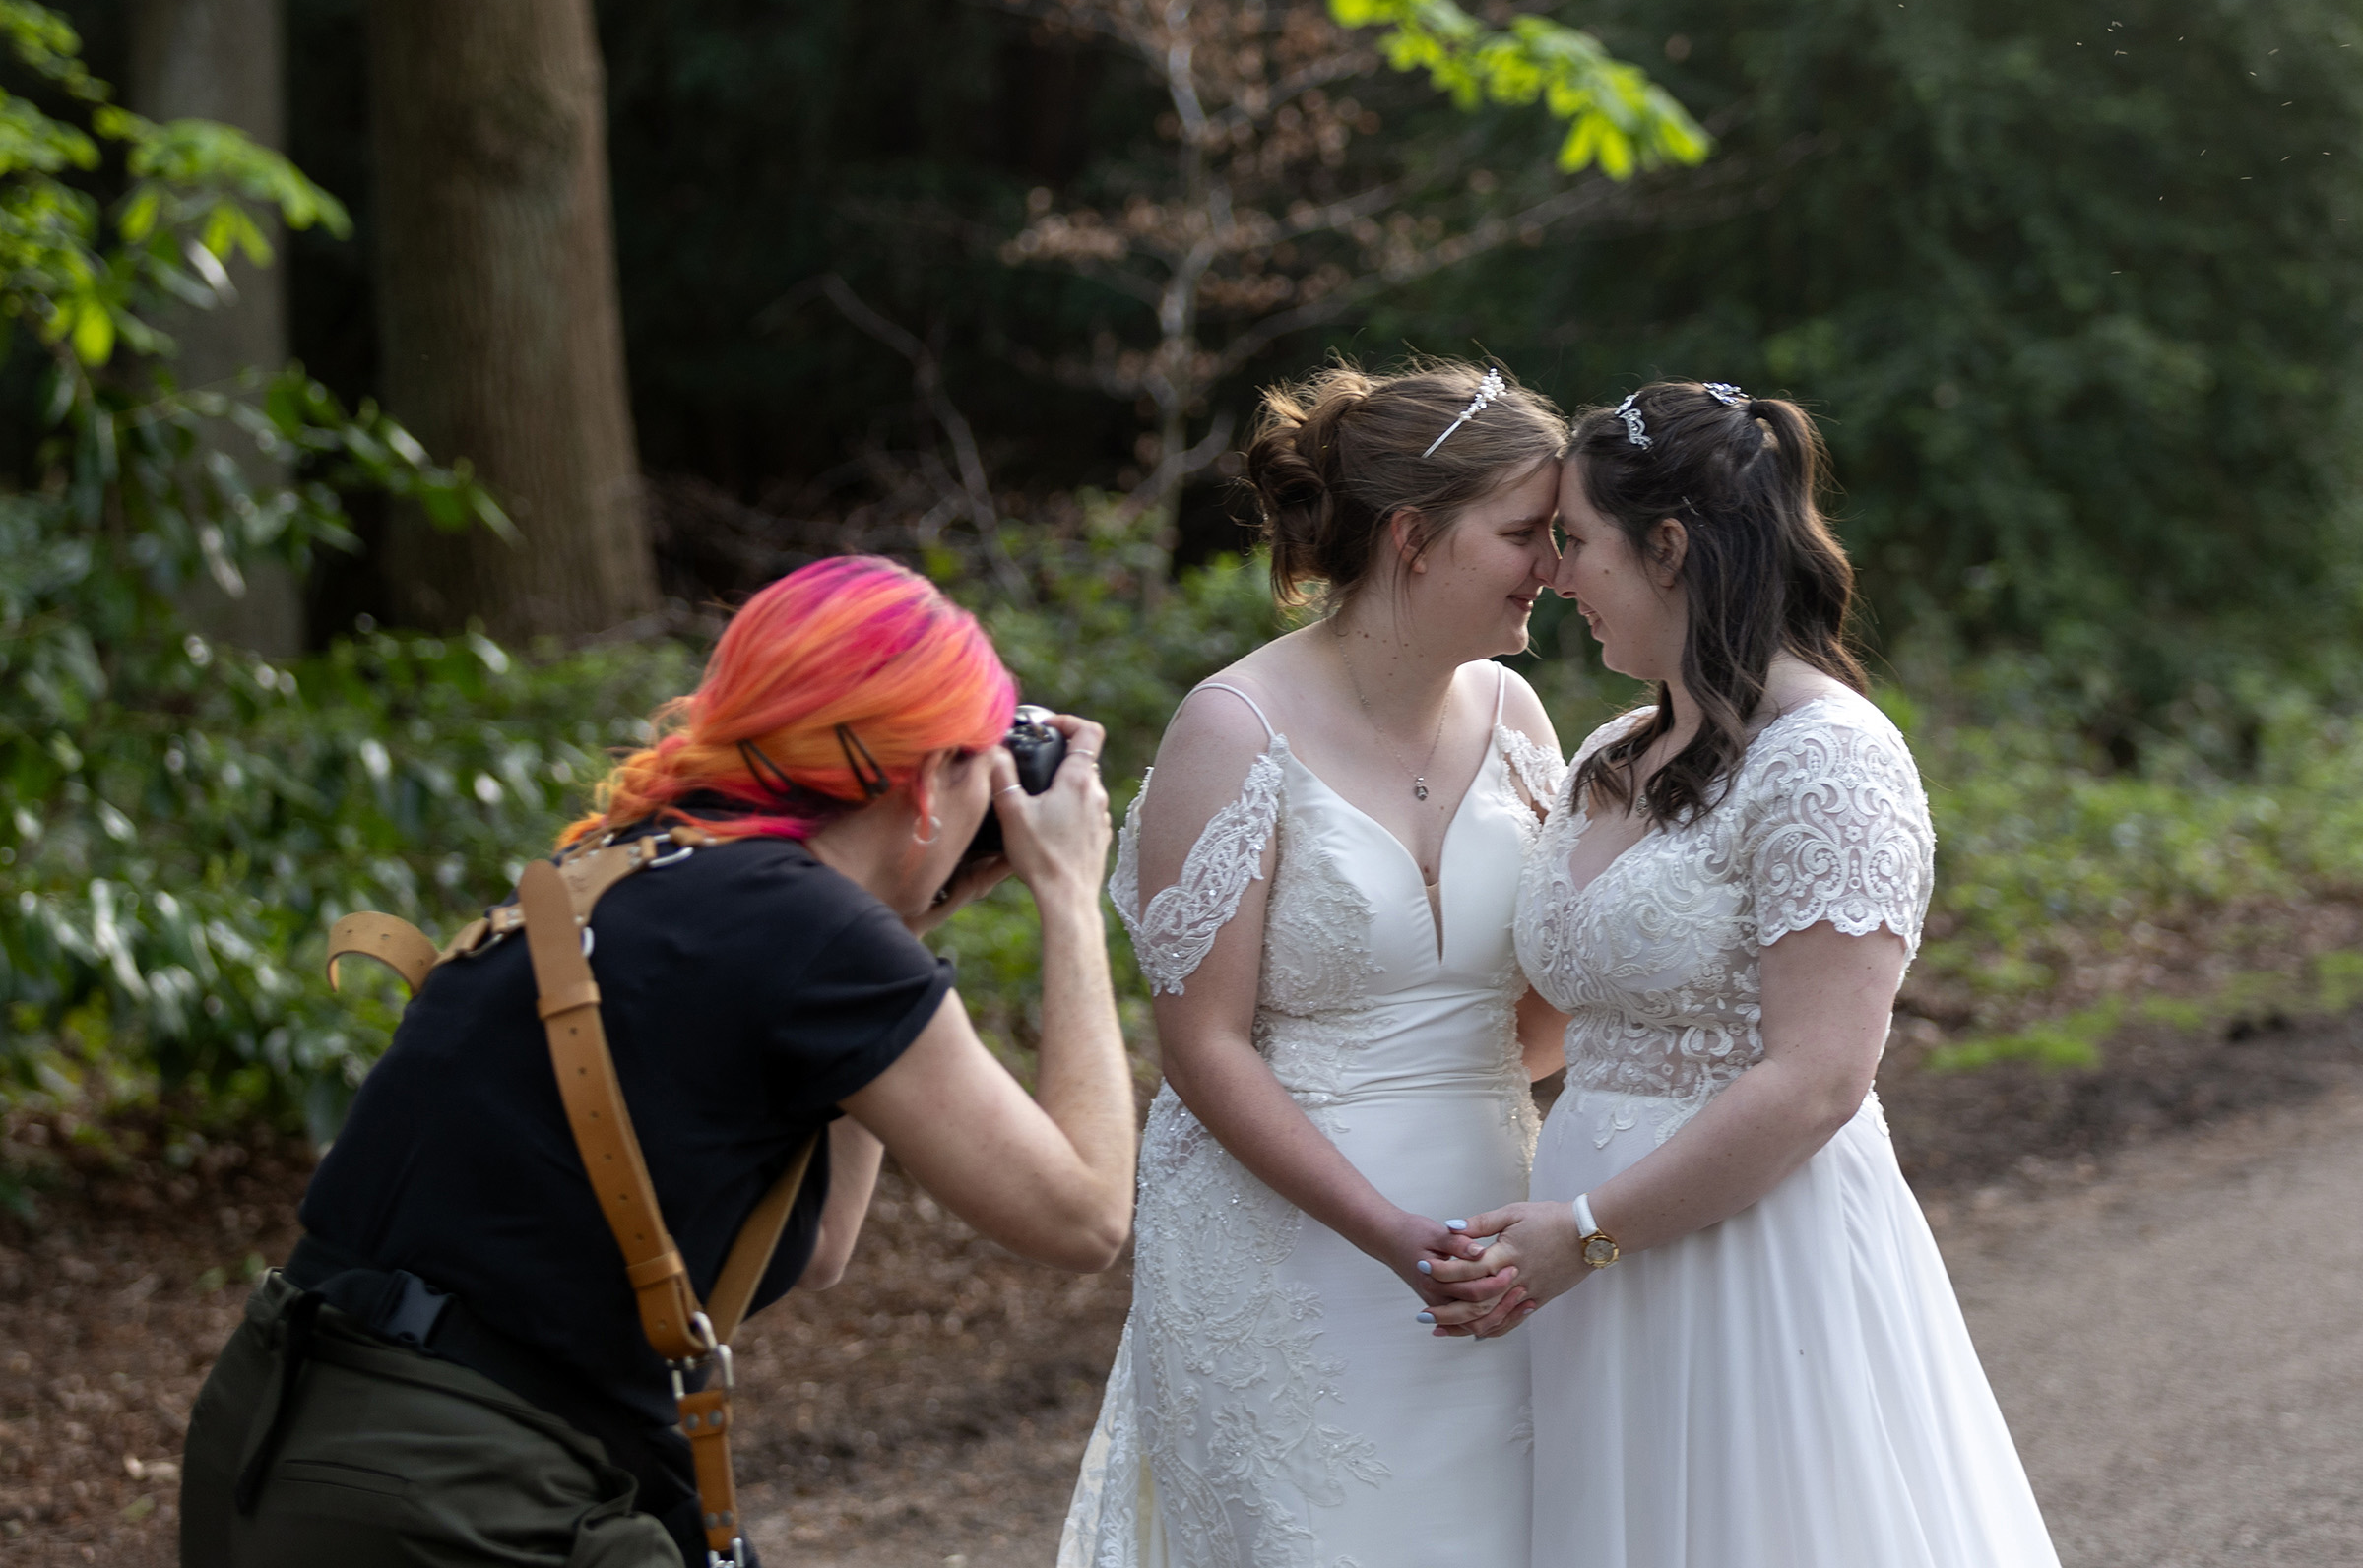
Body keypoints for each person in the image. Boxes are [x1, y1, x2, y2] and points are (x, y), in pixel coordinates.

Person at [181, 554, 1136, 1568]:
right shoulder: (808, 930)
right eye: (978, 762)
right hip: (455, 1490)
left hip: (279, 1438)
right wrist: (1069, 895)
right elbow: (1083, 1214)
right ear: (928, 781)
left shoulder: (636, 865)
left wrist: (896, 922)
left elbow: (819, 1250)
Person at [1427, 382, 2060, 1566]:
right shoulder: (1616, 750)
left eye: (1581, 544)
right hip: (1582, 1254)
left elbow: (1819, 1078)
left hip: (1748, 1258)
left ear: (1668, 549)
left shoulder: (1831, 760)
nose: (1559, 578)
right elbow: (1569, 1009)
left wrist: (1592, 1231)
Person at [1059, 360, 1571, 1568]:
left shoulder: (1520, 721)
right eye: (1524, 534)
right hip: (1292, 1250)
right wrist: (1391, 1232)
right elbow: (1203, 1047)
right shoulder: (1234, 731)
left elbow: (1535, 1029)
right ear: (1413, 538)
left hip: (1497, 1234)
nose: (1556, 565)